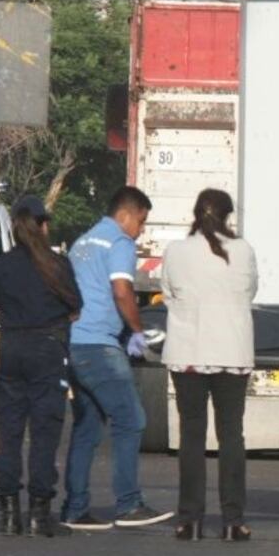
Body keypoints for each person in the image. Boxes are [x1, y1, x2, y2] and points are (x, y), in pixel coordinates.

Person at [60, 186, 174, 529]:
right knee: (132, 420)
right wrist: (137, 330)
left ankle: (75, 509)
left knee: (88, 427)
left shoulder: (83, 242)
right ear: (127, 214)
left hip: (75, 344)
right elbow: (122, 290)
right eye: (141, 221)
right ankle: (128, 504)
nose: (141, 231)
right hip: (99, 345)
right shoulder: (120, 243)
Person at [160, 189, 258, 542]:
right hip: (232, 353)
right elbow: (250, 292)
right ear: (229, 216)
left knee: (191, 435)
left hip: (188, 352)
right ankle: (233, 520)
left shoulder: (176, 251)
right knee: (231, 435)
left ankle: (190, 519)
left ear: (195, 213)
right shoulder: (243, 250)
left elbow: (169, 294)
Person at [0, 196, 82, 538]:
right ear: (43, 226)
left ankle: (10, 512)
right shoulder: (58, 265)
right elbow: (75, 307)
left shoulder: (0, 265)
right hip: (47, 348)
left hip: (10, 346)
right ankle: (39, 514)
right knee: (45, 431)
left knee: (10, 431)